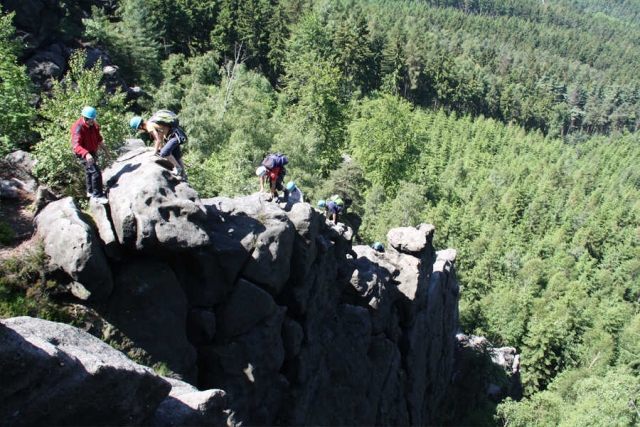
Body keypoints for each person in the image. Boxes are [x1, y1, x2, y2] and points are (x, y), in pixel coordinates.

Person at [72, 106, 112, 203]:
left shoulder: (94, 126)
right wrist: (86, 154)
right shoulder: (78, 128)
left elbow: (99, 139)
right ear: (84, 118)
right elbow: (76, 145)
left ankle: (90, 191)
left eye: (93, 119)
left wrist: (106, 151)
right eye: (90, 120)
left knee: (89, 170)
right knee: (96, 172)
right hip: (82, 153)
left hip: (92, 151)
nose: (92, 121)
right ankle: (97, 195)